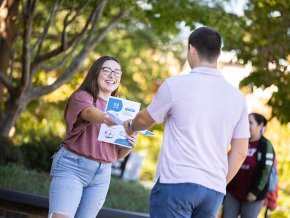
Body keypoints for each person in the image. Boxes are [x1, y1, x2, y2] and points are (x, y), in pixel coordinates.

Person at [123, 26, 249, 218]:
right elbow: (240, 152)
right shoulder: (237, 97)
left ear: (191, 49)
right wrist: (219, 183)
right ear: (218, 53)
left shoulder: (175, 85)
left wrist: (130, 126)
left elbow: (144, 119)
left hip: (176, 182)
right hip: (213, 190)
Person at [48, 56, 137, 218]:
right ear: (95, 73)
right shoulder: (82, 97)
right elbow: (89, 113)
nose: (113, 75)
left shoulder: (123, 109)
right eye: (107, 70)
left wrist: (129, 144)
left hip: (102, 174)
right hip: (73, 166)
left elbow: (116, 155)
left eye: (117, 72)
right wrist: (108, 118)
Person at [222, 113, 275, 218]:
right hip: (233, 193)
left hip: (253, 197)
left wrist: (255, 191)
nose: (246, 125)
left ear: (260, 126)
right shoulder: (239, 141)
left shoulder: (266, 145)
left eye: (250, 122)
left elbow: (265, 171)